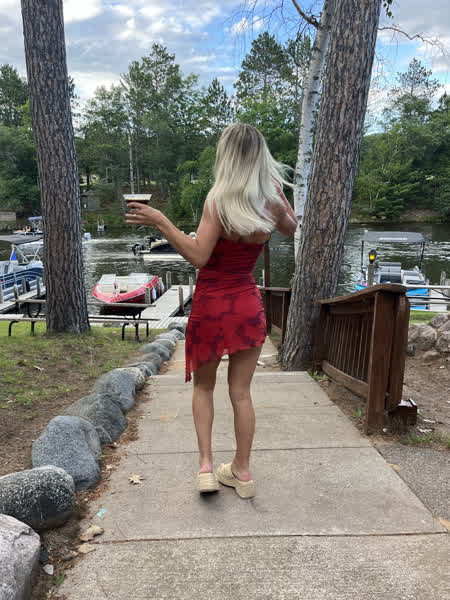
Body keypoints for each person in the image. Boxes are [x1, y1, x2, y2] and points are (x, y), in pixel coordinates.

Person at [125, 123, 297, 499]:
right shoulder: (270, 201)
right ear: (261, 158)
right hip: (247, 305)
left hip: (212, 305)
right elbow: (292, 228)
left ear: (226, 156)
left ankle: (206, 467)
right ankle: (242, 472)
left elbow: (199, 256)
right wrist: (279, 194)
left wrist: (161, 221)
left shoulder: (217, 200)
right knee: (242, 393)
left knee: (204, 387)